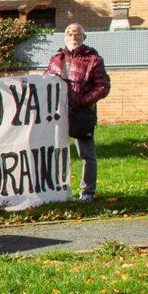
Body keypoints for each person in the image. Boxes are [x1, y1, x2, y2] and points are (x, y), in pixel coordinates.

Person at [46, 23, 111, 201]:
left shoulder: (93, 60)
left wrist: (83, 101)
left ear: (84, 38)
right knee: (56, 152)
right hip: (58, 114)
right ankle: (57, 189)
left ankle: (87, 192)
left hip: (82, 114)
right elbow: (45, 82)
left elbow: (103, 86)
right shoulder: (55, 60)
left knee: (87, 155)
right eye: (70, 34)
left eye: (77, 35)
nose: (73, 38)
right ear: (64, 37)